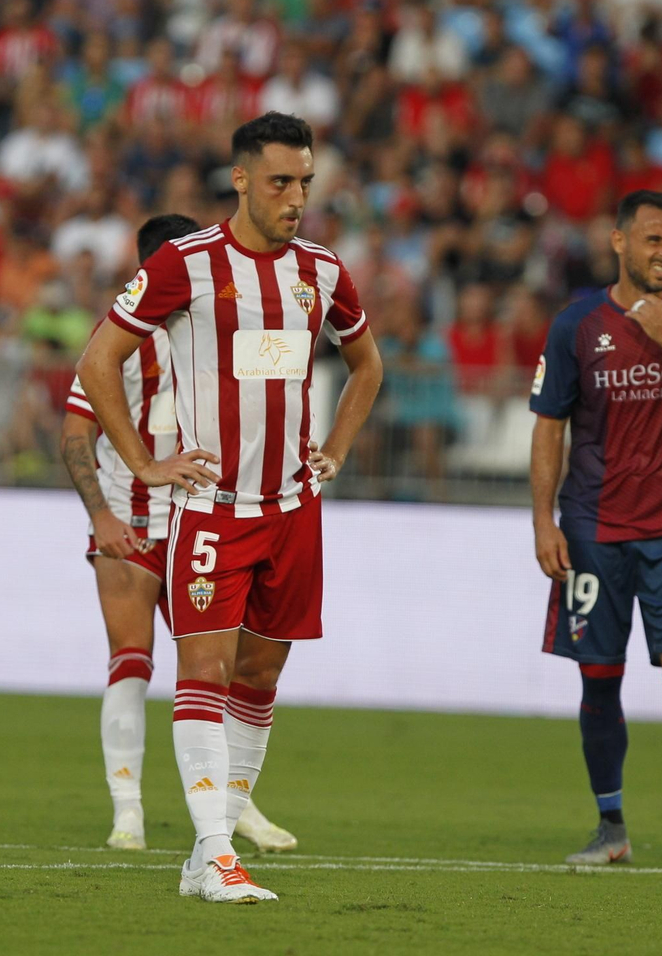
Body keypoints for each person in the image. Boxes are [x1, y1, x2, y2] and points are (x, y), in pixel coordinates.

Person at [75, 112, 384, 903]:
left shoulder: (321, 271)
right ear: (241, 179)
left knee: (260, 675)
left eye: (306, 182)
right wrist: (145, 463)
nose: (296, 197)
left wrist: (337, 451)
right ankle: (216, 851)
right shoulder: (186, 264)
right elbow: (98, 359)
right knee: (203, 671)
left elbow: (367, 362)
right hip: (213, 508)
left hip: (294, 510)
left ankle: (212, 841)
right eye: (281, 181)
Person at [61, 212, 298, 855]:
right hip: (133, 519)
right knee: (132, 659)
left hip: (211, 520)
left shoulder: (232, 329)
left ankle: (233, 808)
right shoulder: (118, 340)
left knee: (223, 670)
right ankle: (128, 813)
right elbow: (75, 435)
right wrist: (101, 517)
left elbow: (276, 400)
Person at [529, 190, 662, 872]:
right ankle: (610, 825)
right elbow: (548, 425)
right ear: (618, 241)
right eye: (653, 240)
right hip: (593, 530)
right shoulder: (576, 323)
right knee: (598, 679)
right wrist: (543, 520)